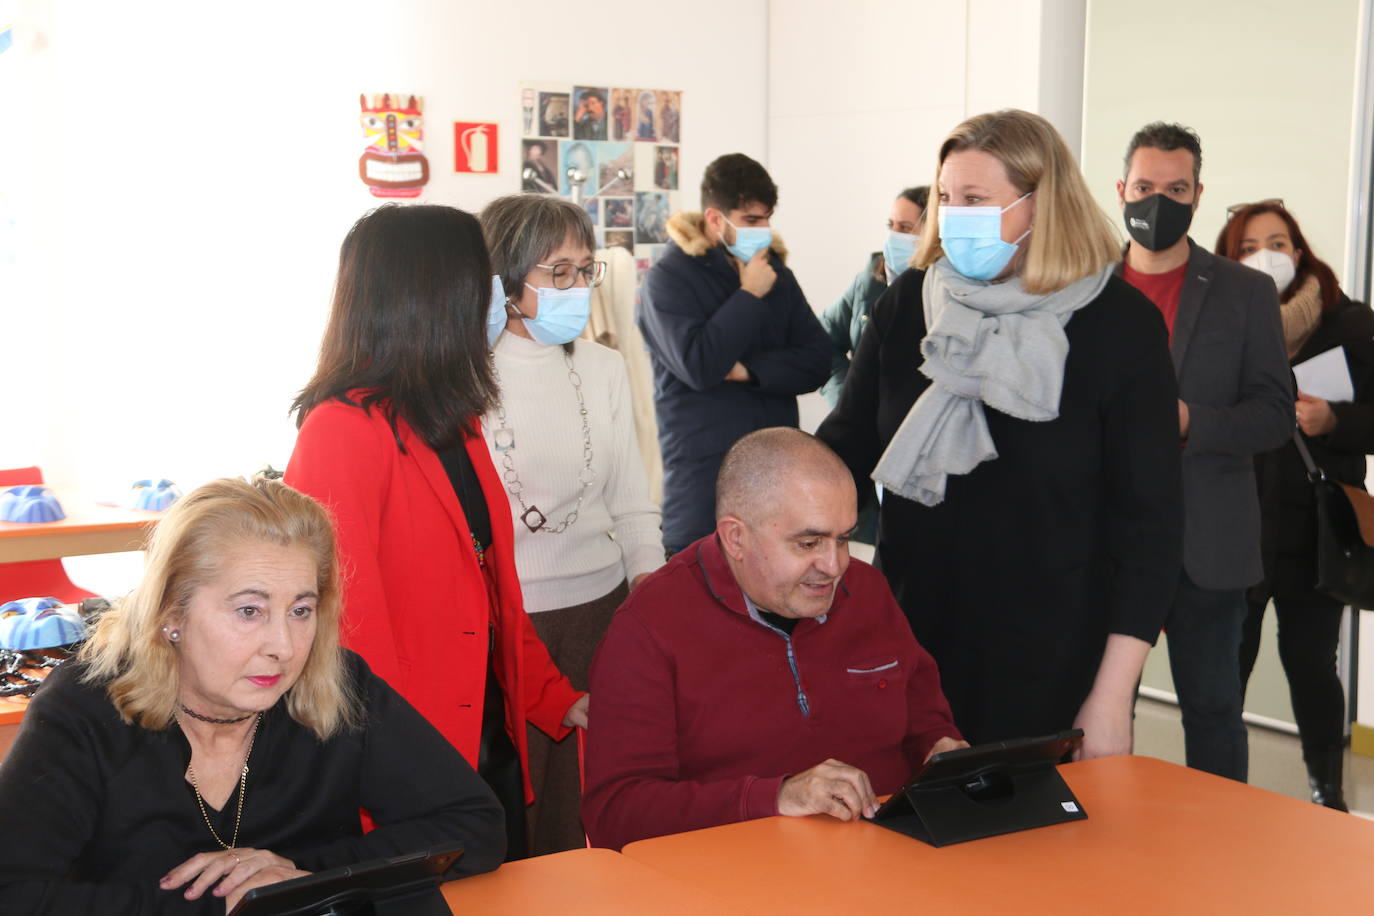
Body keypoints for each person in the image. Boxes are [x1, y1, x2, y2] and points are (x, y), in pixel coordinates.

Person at [817, 109, 1183, 756]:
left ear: (1040, 205)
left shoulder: (1119, 327)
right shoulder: (907, 307)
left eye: (977, 201)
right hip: (911, 649)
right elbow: (845, 449)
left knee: (1033, 854)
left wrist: (1111, 697)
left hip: (1053, 664)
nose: (956, 217)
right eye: (948, 199)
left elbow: (1149, 530)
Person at [0, 478, 505, 913]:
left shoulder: (336, 683)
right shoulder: (83, 709)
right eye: (249, 611)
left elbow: (476, 826)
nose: (283, 648)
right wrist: (223, 902)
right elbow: (13, 895)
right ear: (171, 614)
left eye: (301, 611)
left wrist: (298, 877)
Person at [286, 204, 586, 860]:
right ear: (433, 298)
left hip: (484, 739)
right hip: (411, 771)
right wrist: (408, 779)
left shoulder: (457, 422)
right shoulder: (340, 432)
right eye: (482, 286)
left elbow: (493, 596)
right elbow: (348, 640)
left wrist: (553, 699)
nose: (498, 304)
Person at [581, 428, 965, 851]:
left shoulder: (868, 592)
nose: (835, 565)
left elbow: (923, 720)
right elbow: (615, 814)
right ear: (736, 538)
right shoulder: (649, 627)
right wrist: (776, 797)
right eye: (808, 542)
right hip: (737, 879)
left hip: (892, 859)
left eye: (842, 538)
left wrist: (940, 750)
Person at [479, 194, 664, 853]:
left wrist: (652, 588)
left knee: (596, 808)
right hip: (510, 627)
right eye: (558, 273)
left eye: (586, 271)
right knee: (521, 819)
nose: (578, 288)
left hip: (603, 615)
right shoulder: (466, 379)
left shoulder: (605, 367)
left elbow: (634, 500)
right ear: (505, 282)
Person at [1116, 124, 1293, 782]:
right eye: (1144, 187)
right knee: (1099, 707)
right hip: (1106, 539)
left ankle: (1221, 859)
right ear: (1120, 190)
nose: (1157, 200)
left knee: (1213, 711)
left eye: (1176, 188)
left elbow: (1276, 414)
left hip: (1209, 541)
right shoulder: (1084, 287)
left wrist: (1192, 419)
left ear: (1197, 195)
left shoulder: (1244, 293)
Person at [1217, 201, 1374, 809]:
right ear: (1230, 260)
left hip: (1317, 533)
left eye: (1278, 242)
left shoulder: (1350, 323)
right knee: (1226, 666)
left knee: (1312, 664)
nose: (1267, 256)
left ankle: (1325, 791)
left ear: (1300, 250)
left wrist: (1334, 418)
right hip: (1237, 526)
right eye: (1251, 245)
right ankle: (1220, 789)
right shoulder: (1219, 322)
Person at [638, 153, 830, 554]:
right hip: (705, 470)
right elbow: (700, 366)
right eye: (751, 220)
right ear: (714, 219)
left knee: (773, 578)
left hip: (775, 463)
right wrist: (749, 295)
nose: (763, 230)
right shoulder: (668, 280)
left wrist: (749, 371)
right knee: (698, 584)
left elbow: (818, 360)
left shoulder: (774, 270)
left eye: (767, 218)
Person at [819, 185, 929, 407]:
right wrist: (844, 398)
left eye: (905, 228)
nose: (894, 236)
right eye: (891, 225)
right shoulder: (867, 282)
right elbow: (822, 341)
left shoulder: (944, 291)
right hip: (863, 428)